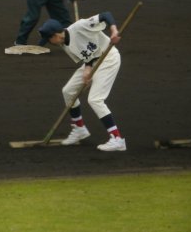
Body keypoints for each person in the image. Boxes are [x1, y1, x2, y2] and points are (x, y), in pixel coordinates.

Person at [38, 11, 127, 151]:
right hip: (95, 63)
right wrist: (88, 69)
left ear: (55, 35)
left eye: (48, 40)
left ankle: (117, 139)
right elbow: (88, 57)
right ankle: (80, 129)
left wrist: (114, 31)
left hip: (108, 58)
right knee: (68, 91)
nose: (49, 43)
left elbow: (105, 15)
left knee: (95, 99)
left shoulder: (80, 26)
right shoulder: (64, 45)